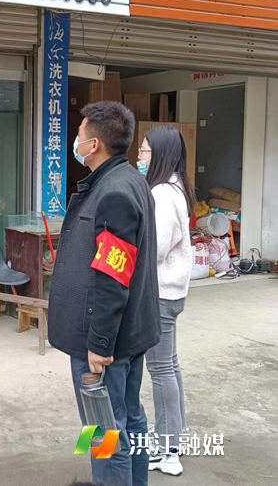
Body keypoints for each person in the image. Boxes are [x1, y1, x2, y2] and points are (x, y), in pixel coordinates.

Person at [48, 101, 161, 486]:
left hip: (102, 342)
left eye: (79, 135)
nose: (75, 142)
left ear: (93, 144)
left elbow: (113, 277)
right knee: (127, 418)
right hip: (126, 334)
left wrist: (98, 343)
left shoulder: (113, 193)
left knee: (103, 433)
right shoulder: (128, 180)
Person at [137, 127, 195, 477]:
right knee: (169, 366)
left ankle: (167, 450)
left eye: (144, 152)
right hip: (172, 292)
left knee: (160, 370)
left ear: (159, 154)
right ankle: (174, 436)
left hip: (160, 293)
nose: (140, 158)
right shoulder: (175, 187)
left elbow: (154, 250)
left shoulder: (162, 193)